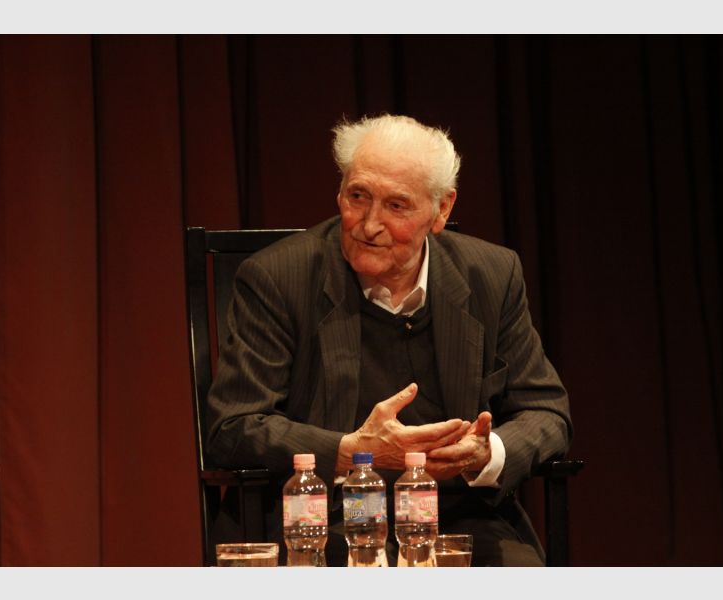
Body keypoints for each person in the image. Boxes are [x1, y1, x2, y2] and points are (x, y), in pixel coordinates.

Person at [206, 113, 572, 567]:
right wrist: (353, 451)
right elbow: (233, 426)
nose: (369, 224)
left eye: (396, 206)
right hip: (324, 519)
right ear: (340, 192)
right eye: (358, 196)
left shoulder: (492, 276)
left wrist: (484, 453)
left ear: (441, 210)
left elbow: (547, 412)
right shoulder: (278, 278)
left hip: (458, 516)